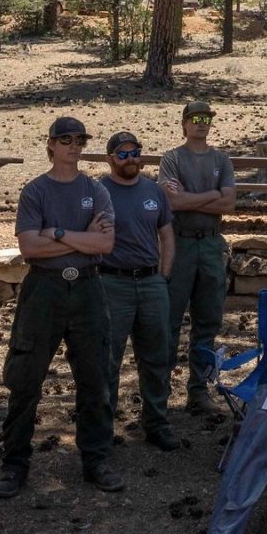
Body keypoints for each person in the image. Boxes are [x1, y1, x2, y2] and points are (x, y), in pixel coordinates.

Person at [0, 116, 123, 496]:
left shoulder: (96, 190)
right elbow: (29, 248)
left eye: (80, 139)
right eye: (65, 139)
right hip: (44, 289)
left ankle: (95, 460)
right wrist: (80, 237)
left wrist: (57, 232)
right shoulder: (35, 191)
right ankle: (14, 465)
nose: (74, 145)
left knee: (96, 378)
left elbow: (105, 246)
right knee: (25, 379)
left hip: (87, 288)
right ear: (50, 144)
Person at [98, 131, 180, 451]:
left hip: (151, 283)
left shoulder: (153, 191)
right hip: (111, 283)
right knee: (108, 359)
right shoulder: (98, 191)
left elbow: (167, 236)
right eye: (122, 154)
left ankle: (157, 423)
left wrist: (164, 276)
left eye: (135, 153)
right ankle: (102, 428)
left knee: (157, 357)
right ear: (110, 159)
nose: (131, 159)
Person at [160, 99, 238, 411]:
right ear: (184, 124)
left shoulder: (222, 159)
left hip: (210, 243)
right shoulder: (172, 158)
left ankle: (199, 390)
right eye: (194, 118)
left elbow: (229, 204)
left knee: (208, 321)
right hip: (179, 243)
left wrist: (192, 198)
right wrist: (212, 195)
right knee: (169, 320)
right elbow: (172, 203)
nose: (201, 123)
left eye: (206, 118)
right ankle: (159, 390)